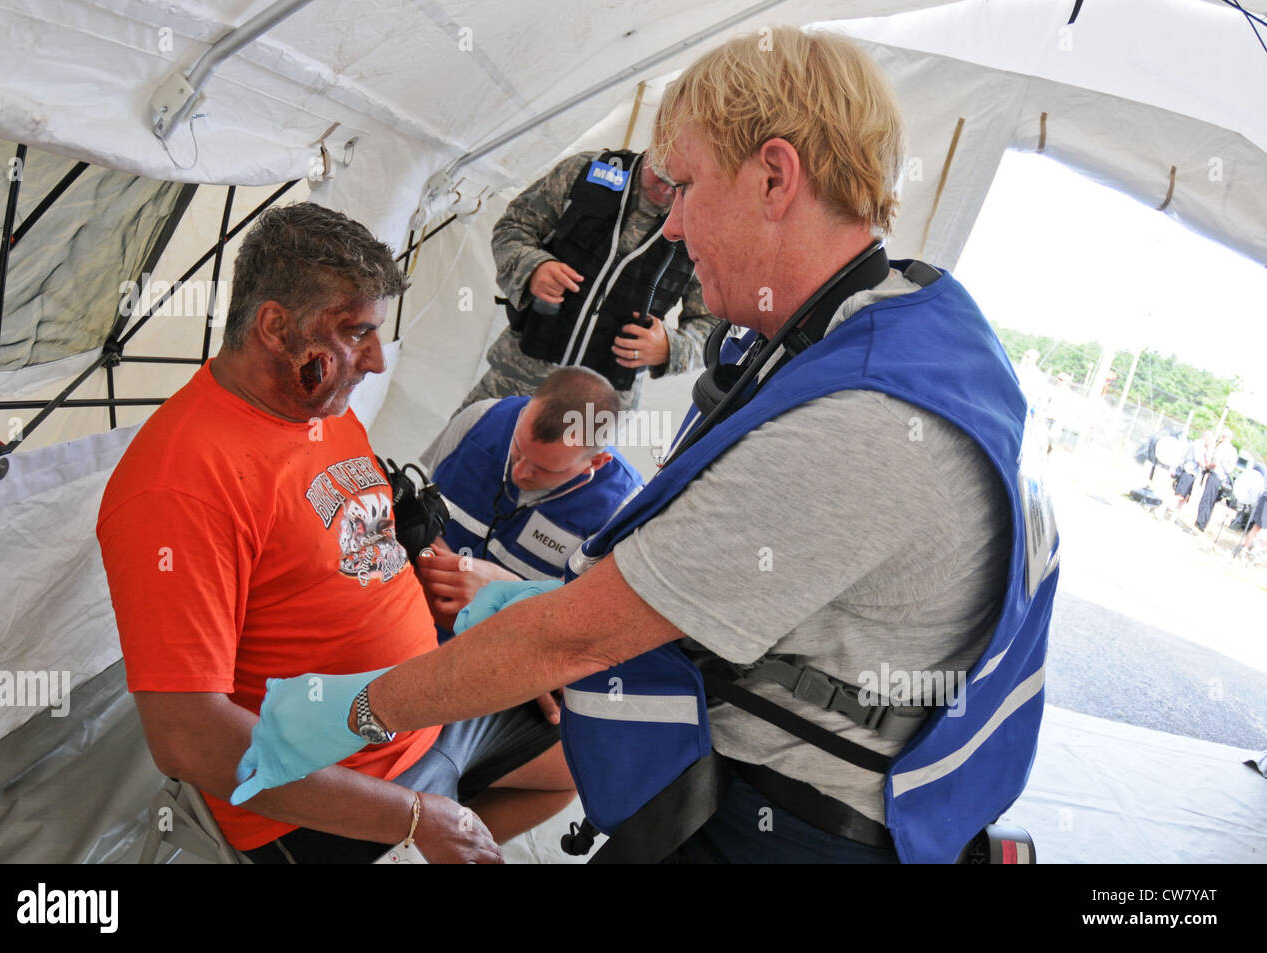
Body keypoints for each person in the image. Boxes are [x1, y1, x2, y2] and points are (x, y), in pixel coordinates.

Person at [233, 29, 1059, 865]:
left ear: (775, 176)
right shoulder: (881, 330)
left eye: (690, 186)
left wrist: (347, 714)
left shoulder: (861, 417)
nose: (671, 226)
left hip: (789, 828)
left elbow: (578, 638)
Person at [96, 202, 573, 864]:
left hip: (421, 711)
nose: (377, 360)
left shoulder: (318, 405)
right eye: (357, 332)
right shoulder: (180, 483)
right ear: (273, 327)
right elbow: (189, 737)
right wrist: (415, 818)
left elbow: (371, 537)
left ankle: (447, 824)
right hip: (337, 786)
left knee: (576, 749)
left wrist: (494, 622)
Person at [457, 147, 719, 412]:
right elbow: (512, 228)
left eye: (679, 185)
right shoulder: (586, 171)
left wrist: (670, 348)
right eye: (660, 173)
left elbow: (716, 324)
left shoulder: (705, 225)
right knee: (464, 449)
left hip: (598, 411)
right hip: (513, 381)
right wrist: (533, 268)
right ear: (651, 148)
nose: (664, 190)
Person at [414, 366, 644, 635]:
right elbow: (423, 497)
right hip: (409, 617)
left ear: (595, 462)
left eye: (544, 469)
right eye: (518, 449)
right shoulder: (481, 417)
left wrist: (510, 591)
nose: (519, 472)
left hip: (492, 654)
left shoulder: (621, 509)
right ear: (524, 413)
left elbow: (591, 622)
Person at [1195, 431, 1238, 532]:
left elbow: (1215, 463)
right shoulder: (1233, 451)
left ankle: (1199, 525)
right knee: (1211, 503)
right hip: (1223, 480)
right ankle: (1203, 524)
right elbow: (1230, 469)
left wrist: (1207, 467)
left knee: (1206, 501)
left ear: (1224, 437)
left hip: (1215, 477)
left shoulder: (1222, 448)